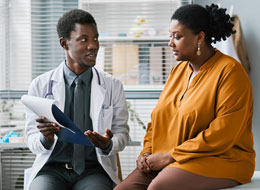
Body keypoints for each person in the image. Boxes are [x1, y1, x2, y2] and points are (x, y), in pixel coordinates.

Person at [115, 3, 255, 190]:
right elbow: (157, 120)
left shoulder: (230, 72)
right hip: (171, 157)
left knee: (159, 187)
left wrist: (169, 156)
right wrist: (147, 153)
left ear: (200, 37)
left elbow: (223, 134)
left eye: (177, 37)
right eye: (170, 36)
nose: (170, 43)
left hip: (222, 159)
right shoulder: (178, 71)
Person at [24, 9, 129, 190]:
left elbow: (122, 134)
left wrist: (108, 144)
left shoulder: (112, 85)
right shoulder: (40, 85)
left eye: (95, 38)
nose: (93, 45)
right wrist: (45, 139)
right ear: (64, 43)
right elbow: (31, 139)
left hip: (93, 171)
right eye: (84, 39)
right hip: (51, 170)